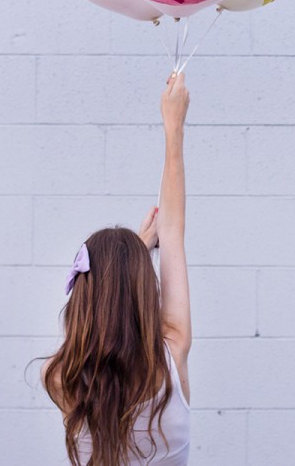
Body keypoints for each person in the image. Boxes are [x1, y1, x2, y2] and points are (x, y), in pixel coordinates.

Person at [41, 72, 191, 466]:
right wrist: (173, 127)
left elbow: (104, 314)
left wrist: (127, 260)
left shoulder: (59, 379)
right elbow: (172, 231)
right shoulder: (171, 358)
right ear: (143, 291)